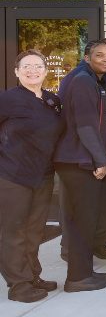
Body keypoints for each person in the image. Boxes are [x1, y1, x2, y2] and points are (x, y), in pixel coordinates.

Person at [0, 51, 64, 302]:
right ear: (16, 71)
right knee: (13, 231)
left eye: (38, 66)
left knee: (34, 230)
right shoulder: (7, 99)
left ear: (45, 71)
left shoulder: (52, 100)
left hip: (43, 175)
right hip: (12, 175)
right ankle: (18, 285)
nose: (32, 70)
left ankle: (32, 276)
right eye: (26, 66)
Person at [53, 40, 106, 293]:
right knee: (81, 222)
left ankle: (82, 273)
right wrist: (100, 160)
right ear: (86, 57)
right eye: (99, 55)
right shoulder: (82, 81)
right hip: (79, 161)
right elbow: (86, 125)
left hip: (79, 159)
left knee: (83, 220)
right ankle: (78, 278)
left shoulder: (90, 79)